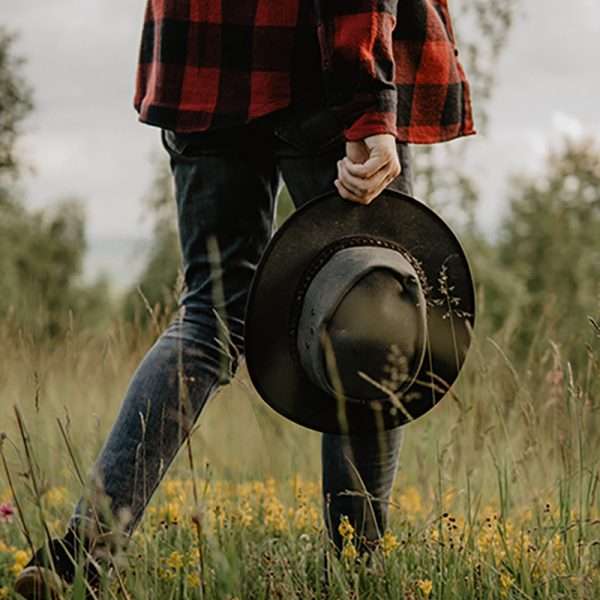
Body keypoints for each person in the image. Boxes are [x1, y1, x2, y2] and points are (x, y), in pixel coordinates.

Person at [15, 0, 474, 597]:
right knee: (373, 316)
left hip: (202, 58)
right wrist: (370, 108)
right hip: (322, 63)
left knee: (206, 320)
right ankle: (356, 580)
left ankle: (77, 560)